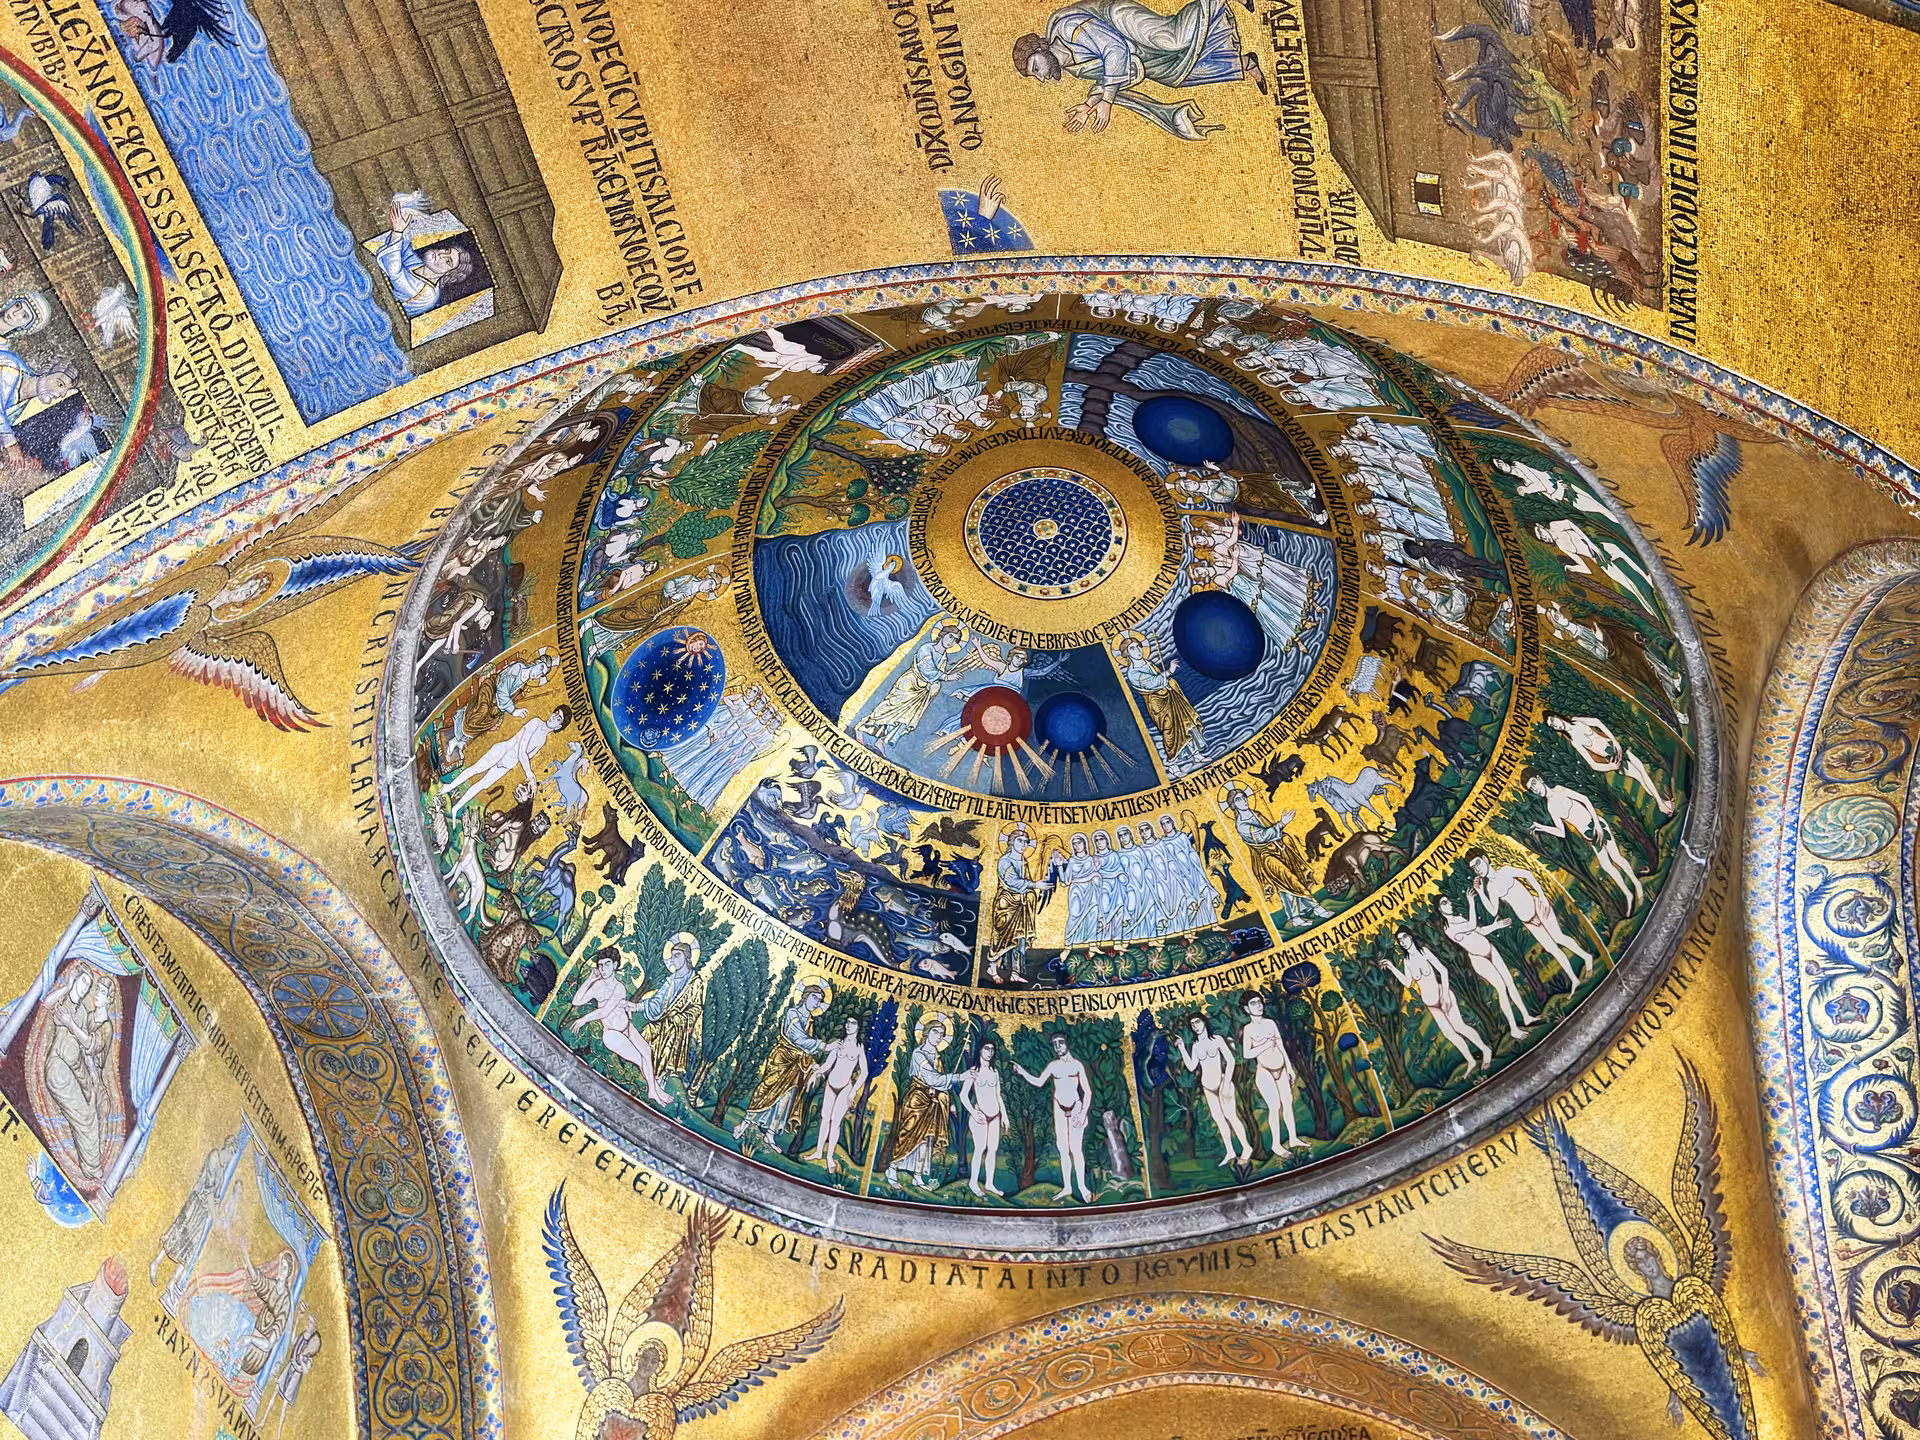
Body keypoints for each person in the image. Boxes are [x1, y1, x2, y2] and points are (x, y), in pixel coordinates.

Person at [1011, 0, 1264, 142]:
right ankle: (1245, 63)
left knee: (1171, 39)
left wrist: (1106, 101)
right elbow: (1111, 74)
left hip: (1122, 23)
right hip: (1133, 52)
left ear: (1041, 47)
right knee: (1176, 74)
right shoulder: (1074, 69)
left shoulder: (1068, 29)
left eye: (1036, 67)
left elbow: (1114, 48)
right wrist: (1089, 105)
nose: (1041, 77)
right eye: (1036, 76)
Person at [1467, 849, 1594, 989]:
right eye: (1474, 868)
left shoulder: (1505, 871)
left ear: (1485, 859)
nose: (1478, 869)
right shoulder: (1491, 888)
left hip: (1538, 907)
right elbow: (1493, 911)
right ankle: (1574, 979)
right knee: (1551, 949)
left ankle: (1586, 957)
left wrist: (1542, 897)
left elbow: (1528, 875)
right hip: (1528, 921)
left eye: (1478, 863)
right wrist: (1480, 892)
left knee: (1559, 938)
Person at [1525, 768, 1644, 911]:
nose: (1535, 789)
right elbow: (1562, 832)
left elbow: (1585, 800)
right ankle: (1628, 894)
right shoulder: (1551, 807)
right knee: (1606, 866)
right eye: (1531, 789)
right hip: (1590, 836)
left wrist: (1598, 824)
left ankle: (1637, 884)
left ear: (1539, 779)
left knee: (1616, 858)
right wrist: (1541, 827)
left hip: (1597, 826)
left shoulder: (1560, 790)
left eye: (1533, 784)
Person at [733, 983, 830, 1152]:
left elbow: (804, 1049)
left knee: (787, 1098)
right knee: (767, 1090)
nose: (816, 1003)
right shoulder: (793, 1013)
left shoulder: (810, 1021)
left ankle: (770, 1133)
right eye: (814, 997)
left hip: (796, 1066)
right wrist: (824, 1046)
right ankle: (745, 1123)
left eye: (820, 1000)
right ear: (805, 996)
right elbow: (798, 1038)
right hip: (782, 1058)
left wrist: (812, 1063)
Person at [42, 967, 115, 1187]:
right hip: (67, 1070)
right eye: (94, 989)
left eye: (101, 992)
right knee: (86, 1116)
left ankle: (91, 1165)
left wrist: (71, 1024)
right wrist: (66, 988)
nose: (94, 994)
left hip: (89, 1076)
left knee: (93, 1113)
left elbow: (92, 1044)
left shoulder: (105, 1026)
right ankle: (91, 1166)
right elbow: (51, 1008)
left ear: (110, 999)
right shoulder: (83, 1012)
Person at [1381, 930, 1494, 1075]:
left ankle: (1485, 1050)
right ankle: (1471, 1061)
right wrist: (1392, 967)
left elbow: (1443, 971)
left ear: (1411, 936)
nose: (1403, 941)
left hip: (1442, 994)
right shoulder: (1407, 961)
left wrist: (1445, 995)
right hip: (1430, 1003)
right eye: (1399, 940)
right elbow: (1408, 983)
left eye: (1404, 937)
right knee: (1449, 1034)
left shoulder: (1424, 952)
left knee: (1459, 1026)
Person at [1437, 894, 1536, 1040]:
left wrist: (1496, 926)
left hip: (1490, 949)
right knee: (1501, 989)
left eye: (1449, 901)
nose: (1449, 904)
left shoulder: (1458, 918)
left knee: (1510, 982)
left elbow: (1478, 930)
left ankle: (1526, 1017)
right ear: (1439, 909)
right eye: (1444, 903)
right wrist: (1471, 902)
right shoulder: (1448, 929)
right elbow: (1470, 925)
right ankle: (1514, 1029)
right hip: (1479, 959)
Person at [883, 1015, 964, 1190]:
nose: (939, 1036)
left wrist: (948, 1100)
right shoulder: (918, 1054)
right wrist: (959, 1077)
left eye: (942, 1033)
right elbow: (932, 1078)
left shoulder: (938, 1057)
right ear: (926, 1033)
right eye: (936, 1031)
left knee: (926, 1140)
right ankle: (893, 1168)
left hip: (933, 1102)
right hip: (918, 1100)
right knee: (908, 1134)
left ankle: (918, 1176)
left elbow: (942, 1082)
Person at [858, 620, 968, 749]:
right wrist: (947, 677)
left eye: (955, 640)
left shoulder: (944, 658)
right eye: (950, 636)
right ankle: (861, 728)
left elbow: (936, 679)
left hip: (922, 693)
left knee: (903, 718)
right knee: (889, 707)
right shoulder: (927, 648)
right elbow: (926, 669)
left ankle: (881, 741)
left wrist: (937, 684)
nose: (951, 642)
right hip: (910, 684)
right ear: (943, 634)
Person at [153, 1131, 240, 1290]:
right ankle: (156, 1263)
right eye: (229, 1154)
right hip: (196, 1204)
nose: (229, 1159)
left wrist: (218, 1215)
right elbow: (208, 1190)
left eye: (231, 1157)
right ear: (226, 1148)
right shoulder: (214, 1157)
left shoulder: (222, 1170)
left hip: (203, 1214)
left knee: (191, 1247)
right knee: (179, 1234)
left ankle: (173, 1284)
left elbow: (216, 1197)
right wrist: (214, 1215)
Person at [1013, 1032, 1094, 1203]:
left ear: (1067, 1043)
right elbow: (1038, 1082)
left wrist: (1082, 1113)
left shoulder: (1077, 1065)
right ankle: (1067, 1187)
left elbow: (1087, 1091)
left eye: (1061, 1042)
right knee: (1063, 1149)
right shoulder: (1053, 1066)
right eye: (1055, 1043)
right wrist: (1022, 1072)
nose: (1058, 1046)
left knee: (1076, 1150)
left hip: (1076, 1108)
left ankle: (1082, 1187)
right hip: (1059, 1108)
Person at [446, 708, 571, 816]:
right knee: (476, 769)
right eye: (555, 713)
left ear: (559, 727)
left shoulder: (542, 740)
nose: (554, 716)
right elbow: (522, 748)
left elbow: (527, 757)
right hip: (503, 751)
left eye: (558, 718)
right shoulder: (536, 722)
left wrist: (529, 775)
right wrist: (529, 773)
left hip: (508, 764)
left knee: (482, 784)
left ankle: (456, 808)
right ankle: (449, 786)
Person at [1547, 713, 1674, 815]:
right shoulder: (1574, 741)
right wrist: (1611, 767)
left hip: (1617, 747)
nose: (1555, 725)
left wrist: (1614, 740)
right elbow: (1593, 764)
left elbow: (1597, 722)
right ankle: (1662, 804)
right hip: (1613, 759)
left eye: (1553, 721)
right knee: (1640, 777)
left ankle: (1662, 803)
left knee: (1642, 771)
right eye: (1552, 726)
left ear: (1557, 716)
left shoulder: (1577, 720)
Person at [374, 194, 475, 318]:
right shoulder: (419, 267)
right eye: (447, 250)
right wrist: (407, 216)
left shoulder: (426, 294)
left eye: (448, 261)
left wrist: (397, 232)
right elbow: (405, 250)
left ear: (449, 274)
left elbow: (394, 272)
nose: (441, 254)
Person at [1174, 1014, 1252, 1166]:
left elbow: (1230, 1060)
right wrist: (1183, 1048)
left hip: (1223, 1083)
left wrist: (1226, 1082)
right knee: (1219, 1120)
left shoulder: (1216, 1040)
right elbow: (1191, 1066)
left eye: (1197, 1021)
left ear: (1204, 1022)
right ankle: (1230, 1151)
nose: (1195, 1025)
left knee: (1231, 1117)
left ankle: (1247, 1148)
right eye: (1192, 1024)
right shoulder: (1196, 1046)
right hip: (1208, 1087)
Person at [1117, 631, 1201, 762]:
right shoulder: (1133, 673)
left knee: (1186, 723)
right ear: (1126, 654)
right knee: (1170, 731)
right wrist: (1169, 671)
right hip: (1158, 704)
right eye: (1132, 648)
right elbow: (1151, 683)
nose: (1137, 650)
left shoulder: (1148, 663)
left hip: (1170, 696)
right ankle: (1173, 762)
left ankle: (1196, 754)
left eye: (1138, 646)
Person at [1240, 993, 1303, 1153]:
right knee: (1275, 1106)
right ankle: (1276, 1145)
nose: (1259, 1005)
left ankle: (1293, 1138)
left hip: (1281, 1069)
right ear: (1247, 1009)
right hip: (1264, 1072)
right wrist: (1265, 1045)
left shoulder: (1271, 1023)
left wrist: (1289, 1068)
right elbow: (1247, 1053)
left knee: (1287, 1104)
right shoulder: (1248, 1029)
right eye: (1254, 1003)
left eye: (1260, 1002)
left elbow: (1280, 1045)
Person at [805, 1016, 867, 1175]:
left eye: (853, 1023)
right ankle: (819, 1152)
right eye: (847, 1022)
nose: (849, 1026)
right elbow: (827, 1065)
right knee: (825, 1117)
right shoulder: (838, 1044)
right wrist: (817, 1071)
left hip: (845, 1088)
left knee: (835, 1122)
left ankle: (829, 1157)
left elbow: (864, 1072)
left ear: (858, 1027)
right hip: (830, 1084)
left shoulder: (860, 1048)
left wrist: (853, 1092)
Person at [957, 1040, 1007, 1196]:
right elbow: (963, 1095)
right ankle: (973, 1182)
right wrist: (973, 1112)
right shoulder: (973, 1071)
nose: (990, 1052)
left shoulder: (995, 1072)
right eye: (987, 1048)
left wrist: (1004, 1115)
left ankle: (990, 1183)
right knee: (980, 1149)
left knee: (992, 1150)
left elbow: (998, 1095)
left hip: (995, 1116)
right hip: (980, 1115)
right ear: (980, 1051)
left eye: (992, 1049)